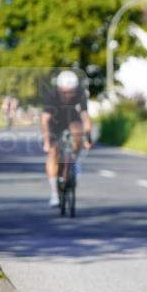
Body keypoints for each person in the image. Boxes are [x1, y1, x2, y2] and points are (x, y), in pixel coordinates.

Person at [41, 70, 92, 206]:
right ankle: (54, 193)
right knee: (53, 153)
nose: (69, 95)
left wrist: (88, 138)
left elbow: (85, 117)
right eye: (65, 92)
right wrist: (47, 141)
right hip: (55, 123)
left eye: (71, 92)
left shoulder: (80, 93)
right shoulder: (51, 95)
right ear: (59, 89)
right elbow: (45, 120)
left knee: (77, 132)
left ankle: (74, 159)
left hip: (72, 119)